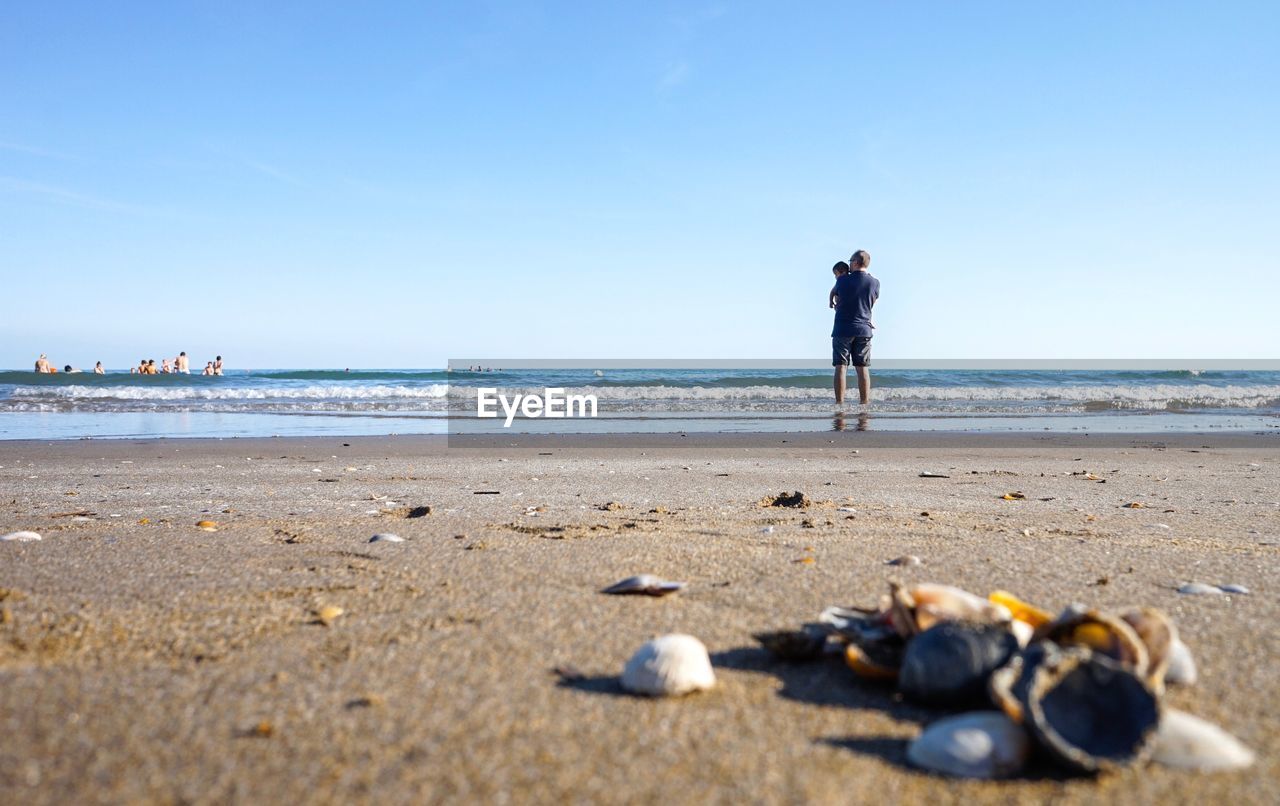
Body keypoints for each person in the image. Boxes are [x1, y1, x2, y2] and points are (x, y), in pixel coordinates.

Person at [830, 249, 879, 406]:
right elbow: (871, 303)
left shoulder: (843, 280)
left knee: (841, 366)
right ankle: (864, 403)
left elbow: (836, 297)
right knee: (862, 367)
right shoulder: (875, 282)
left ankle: (839, 404)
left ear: (856, 262)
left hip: (843, 328)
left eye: (850, 261)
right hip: (864, 329)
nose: (849, 264)